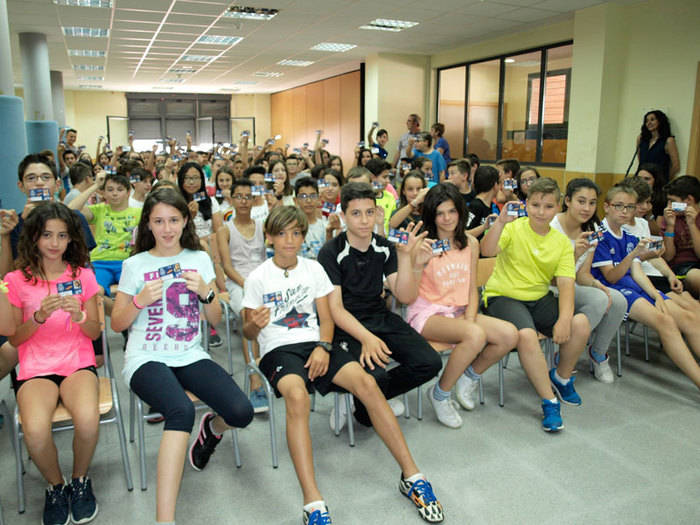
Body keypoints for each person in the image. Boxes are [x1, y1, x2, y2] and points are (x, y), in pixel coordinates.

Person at [243, 206, 444, 524]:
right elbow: (248, 332)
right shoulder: (257, 278)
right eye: (282, 234)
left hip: (316, 343)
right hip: (278, 350)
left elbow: (326, 318)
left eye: (296, 233)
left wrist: (324, 347)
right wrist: (254, 324)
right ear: (269, 237)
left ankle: (413, 476)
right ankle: (313, 503)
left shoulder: (313, 269)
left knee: (367, 382)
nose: (290, 240)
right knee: (297, 397)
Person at [111, 187, 253, 524]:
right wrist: (138, 301)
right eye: (158, 221)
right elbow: (117, 322)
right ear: (147, 223)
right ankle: (165, 520)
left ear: (185, 220)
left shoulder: (199, 257)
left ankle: (212, 429)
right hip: (146, 357)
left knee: (241, 412)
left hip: (189, 352)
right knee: (179, 410)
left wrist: (207, 294)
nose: (167, 228)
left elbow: (214, 320)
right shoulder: (135, 264)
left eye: (173, 219)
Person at [6, 202, 101, 525]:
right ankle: (55, 486)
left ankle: (79, 480)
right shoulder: (15, 280)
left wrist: (80, 315)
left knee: (88, 420)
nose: (54, 243)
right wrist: (39, 316)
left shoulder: (83, 276)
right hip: (35, 369)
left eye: (62, 235)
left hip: (77, 363)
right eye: (47, 235)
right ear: (33, 237)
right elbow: (15, 339)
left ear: (71, 240)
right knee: (34, 429)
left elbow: (94, 332)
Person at [318, 182, 442, 427]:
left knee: (429, 362)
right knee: (375, 377)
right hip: (346, 324)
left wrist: (411, 261)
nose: (364, 220)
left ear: (376, 213)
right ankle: (366, 400)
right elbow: (336, 310)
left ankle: (363, 402)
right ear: (343, 216)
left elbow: (404, 296)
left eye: (369, 212)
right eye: (356, 213)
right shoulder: (331, 251)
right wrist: (366, 338)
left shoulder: (385, 247)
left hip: (379, 316)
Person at [481, 177, 591, 432]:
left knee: (580, 323)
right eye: (536, 205)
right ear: (526, 204)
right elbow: (487, 251)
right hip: (503, 296)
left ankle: (561, 378)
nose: (541, 212)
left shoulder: (561, 242)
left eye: (549, 206)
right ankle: (549, 401)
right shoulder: (513, 227)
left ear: (558, 207)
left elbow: (565, 282)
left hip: (538, 297)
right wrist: (499, 222)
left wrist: (565, 318)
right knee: (527, 335)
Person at [407, 184, 518, 428]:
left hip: (458, 312)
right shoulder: (422, 244)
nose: (446, 219)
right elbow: (408, 292)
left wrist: (469, 318)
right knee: (475, 334)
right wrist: (415, 260)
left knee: (509, 335)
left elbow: (471, 288)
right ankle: (440, 394)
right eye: (440, 213)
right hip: (427, 313)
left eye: (452, 211)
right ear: (431, 216)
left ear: (460, 212)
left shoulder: (470, 242)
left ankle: (468, 376)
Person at [591, 183, 700, 392]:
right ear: (607, 206)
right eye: (619, 206)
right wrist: (633, 255)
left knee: (687, 318)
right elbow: (612, 277)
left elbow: (638, 271)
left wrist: (656, 294)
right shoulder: (600, 235)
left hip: (635, 285)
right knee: (664, 321)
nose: (625, 212)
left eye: (630, 207)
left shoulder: (629, 236)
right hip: (613, 289)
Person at [551, 179, 627, 383]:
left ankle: (598, 354)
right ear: (567, 200)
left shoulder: (593, 227)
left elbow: (583, 273)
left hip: (573, 285)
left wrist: (598, 285)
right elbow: (549, 278)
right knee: (599, 301)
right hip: (551, 287)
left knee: (617, 299)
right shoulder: (552, 226)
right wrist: (574, 255)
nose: (587, 208)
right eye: (581, 201)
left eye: (592, 203)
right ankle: (566, 354)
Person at [216, 179, 269, 412]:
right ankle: (254, 380)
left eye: (249, 196)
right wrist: (248, 284)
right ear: (232, 199)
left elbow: (268, 258)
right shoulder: (224, 229)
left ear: (255, 198)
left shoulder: (262, 225)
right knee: (250, 314)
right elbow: (227, 266)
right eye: (239, 196)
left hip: (263, 278)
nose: (244, 201)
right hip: (238, 282)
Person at [68, 171, 141, 313]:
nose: (114, 194)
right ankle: (117, 318)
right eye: (110, 189)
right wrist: (95, 185)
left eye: (120, 190)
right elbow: (70, 210)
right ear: (104, 194)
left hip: (127, 264)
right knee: (95, 293)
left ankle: (126, 325)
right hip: (100, 263)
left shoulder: (139, 213)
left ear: (128, 193)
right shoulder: (99, 210)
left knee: (133, 292)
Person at [660, 175, 700, 296]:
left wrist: (692, 224)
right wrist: (670, 226)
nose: (669, 205)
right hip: (681, 267)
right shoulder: (669, 218)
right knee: (695, 276)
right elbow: (668, 256)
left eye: (672, 201)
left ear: (689, 200)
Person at [636, 109, 680, 180]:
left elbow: (676, 166)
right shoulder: (641, 139)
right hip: (641, 180)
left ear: (660, 121)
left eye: (652, 120)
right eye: (646, 121)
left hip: (658, 181)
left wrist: (665, 179)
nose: (649, 123)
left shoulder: (668, 141)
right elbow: (640, 160)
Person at [294, 177, 331, 259]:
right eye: (303, 196)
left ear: (318, 199)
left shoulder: (325, 226)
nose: (308, 200)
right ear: (296, 200)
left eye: (313, 196)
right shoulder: (290, 228)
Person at [465, 166, 499, 240]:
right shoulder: (475, 206)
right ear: (495, 185)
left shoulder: (492, 206)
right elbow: (464, 234)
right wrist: (484, 227)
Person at [365, 159, 397, 235]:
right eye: (384, 177)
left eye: (388, 177)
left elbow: (392, 224)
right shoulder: (361, 198)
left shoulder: (390, 197)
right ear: (372, 177)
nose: (388, 181)